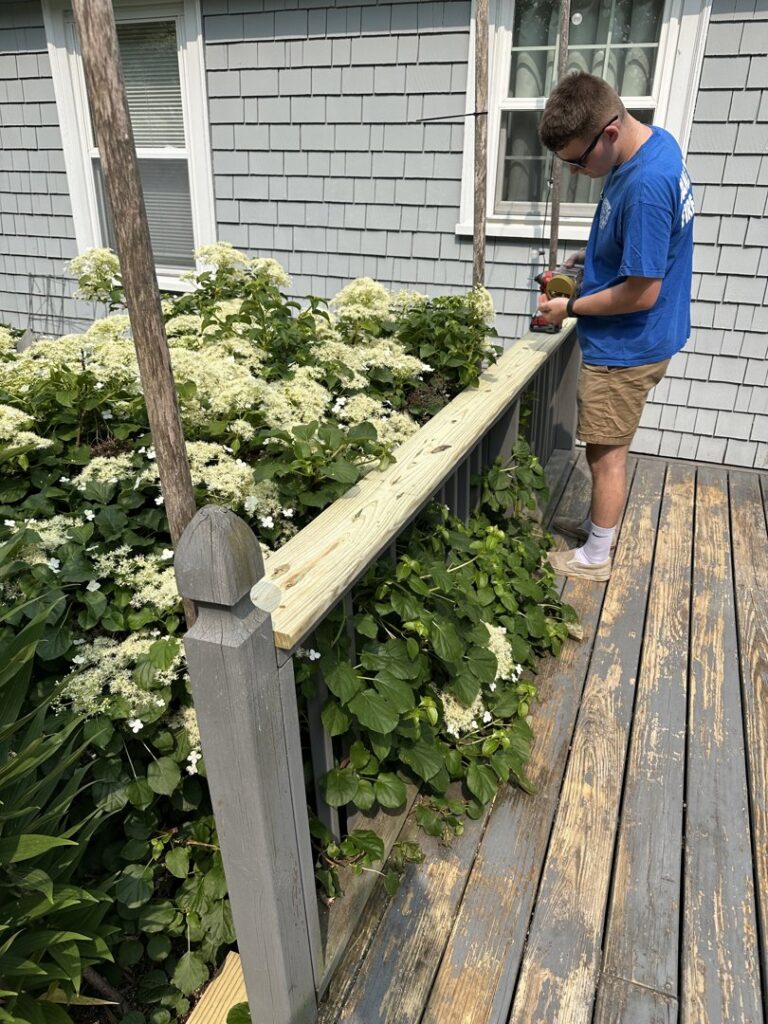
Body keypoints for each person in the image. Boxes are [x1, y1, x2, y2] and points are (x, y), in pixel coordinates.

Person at [536, 72, 694, 581]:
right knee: (609, 448)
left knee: (605, 456)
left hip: (627, 345)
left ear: (609, 131)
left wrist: (571, 307)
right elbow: (636, 245)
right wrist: (586, 261)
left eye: (578, 161)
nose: (577, 172)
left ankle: (595, 558)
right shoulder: (653, 144)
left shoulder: (646, 186)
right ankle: (597, 527)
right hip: (644, 335)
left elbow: (640, 291)